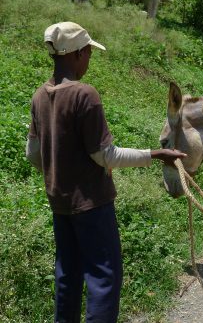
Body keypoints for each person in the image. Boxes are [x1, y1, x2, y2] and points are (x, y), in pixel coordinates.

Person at [25, 21, 186, 323]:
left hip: (59, 202)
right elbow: (104, 155)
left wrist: (60, 172)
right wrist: (156, 154)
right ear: (77, 53)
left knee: (67, 274)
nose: (89, 60)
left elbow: (33, 153)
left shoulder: (39, 95)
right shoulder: (85, 94)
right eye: (88, 53)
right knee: (103, 279)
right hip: (92, 205)